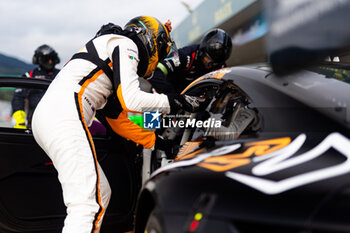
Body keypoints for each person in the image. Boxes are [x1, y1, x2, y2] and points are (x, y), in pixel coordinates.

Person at [31, 16, 203, 233]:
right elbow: (132, 100)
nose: (158, 57)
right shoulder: (125, 43)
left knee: (100, 192)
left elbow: (117, 118)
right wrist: (176, 101)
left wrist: (155, 142)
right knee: (86, 205)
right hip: (65, 114)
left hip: (50, 116)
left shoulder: (106, 55)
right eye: (160, 49)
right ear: (151, 40)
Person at [148, 28, 233, 94]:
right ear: (202, 52)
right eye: (208, 60)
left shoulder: (220, 67)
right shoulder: (185, 55)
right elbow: (155, 71)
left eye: (214, 63)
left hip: (188, 98)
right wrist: (172, 96)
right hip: (164, 92)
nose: (210, 65)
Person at [11, 44, 60, 129]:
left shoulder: (62, 74)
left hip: (58, 124)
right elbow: (18, 97)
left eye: (51, 58)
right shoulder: (29, 75)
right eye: (47, 59)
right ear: (39, 59)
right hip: (34, 125)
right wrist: (19, 120)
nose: (50, 62)